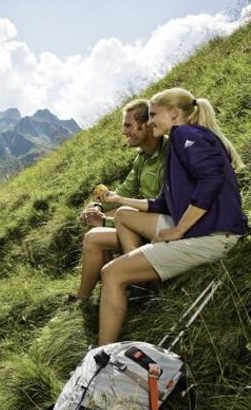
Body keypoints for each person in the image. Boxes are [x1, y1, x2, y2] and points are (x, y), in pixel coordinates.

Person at [97, 87, 247, 344]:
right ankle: (141, 279)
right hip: (205, 227)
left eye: (154, 114)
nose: (150, 120)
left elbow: (211, 177)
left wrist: (178, 231)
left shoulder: (184, 134)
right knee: (124, 215)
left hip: (214, 235)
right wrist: (119, 201)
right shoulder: (181, 141)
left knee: (112, 273)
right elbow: (163, 204)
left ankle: (101, 355)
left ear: (174, 113)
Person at [70, 99, 169, 301]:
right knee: (94, 232)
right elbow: (124, 191)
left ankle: (139, 284)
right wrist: (98, 205)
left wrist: (106, 221)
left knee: (98, 232)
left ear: (146, 126)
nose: (124, 132)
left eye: (128, 125)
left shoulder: (170, 154)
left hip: (163, 227)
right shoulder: (142, 158)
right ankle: (86, 298)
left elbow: (162, 205)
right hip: (143, 223)